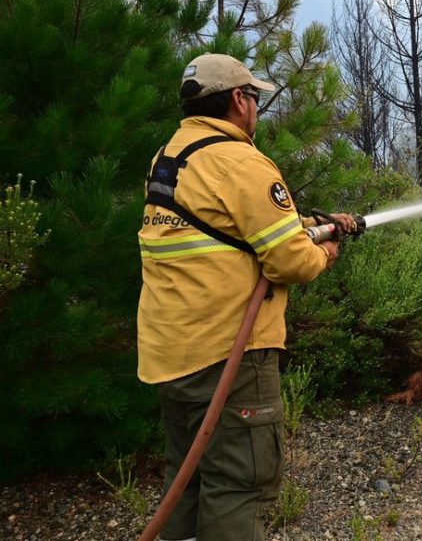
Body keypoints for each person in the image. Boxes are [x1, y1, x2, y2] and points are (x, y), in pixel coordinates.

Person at [137, 53, 356, 541]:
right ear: (239, 100)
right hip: (228, 357)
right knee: (240, 483)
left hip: (172, 353)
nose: (256, 108)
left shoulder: (171, 157)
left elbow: (225, 231)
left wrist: (303, 228)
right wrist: (324, 252)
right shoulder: (240, 161)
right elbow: (289, 261)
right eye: (254, 97)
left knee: (189, 480)